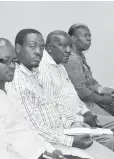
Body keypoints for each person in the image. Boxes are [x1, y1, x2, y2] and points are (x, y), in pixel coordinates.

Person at [6, 28, 114, 158]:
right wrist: (73, 134)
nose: (38, 52)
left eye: (41, 47)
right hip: (54, 140)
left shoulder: (38, 73)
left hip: (65, 127)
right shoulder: (21, 79)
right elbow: (35, 127)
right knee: (106, 146)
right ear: (18, 48)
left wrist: (75, 122)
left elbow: (54, 106)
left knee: (107, 144)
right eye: (32, 46)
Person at [0, 38, 83, 159]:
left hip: (42, 151)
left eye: (14, 61)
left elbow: (28, 127)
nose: (12, 66)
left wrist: (49, 149)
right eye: (5, 61)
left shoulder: (9, 88)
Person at [38, 30, 114, 149]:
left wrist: (87, 112)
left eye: (69, 46)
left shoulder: (60, 66)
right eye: (63, 45)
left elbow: (74, 94)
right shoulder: (44, 70)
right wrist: (82, 118)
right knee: (110, 140)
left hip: (81, 114)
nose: (68, 50)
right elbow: (53, 107)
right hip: (69, 123)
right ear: (49, 48)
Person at [64, 24, 114, 116]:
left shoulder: (79, 55)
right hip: (80, 105)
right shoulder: (72, 59)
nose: (89, 39)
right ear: (73, 39)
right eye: (85, 35)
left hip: (88, 100)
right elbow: (81, 91)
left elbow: (88, 80)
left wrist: (101, 89)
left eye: (89, 35)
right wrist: (103, 99)